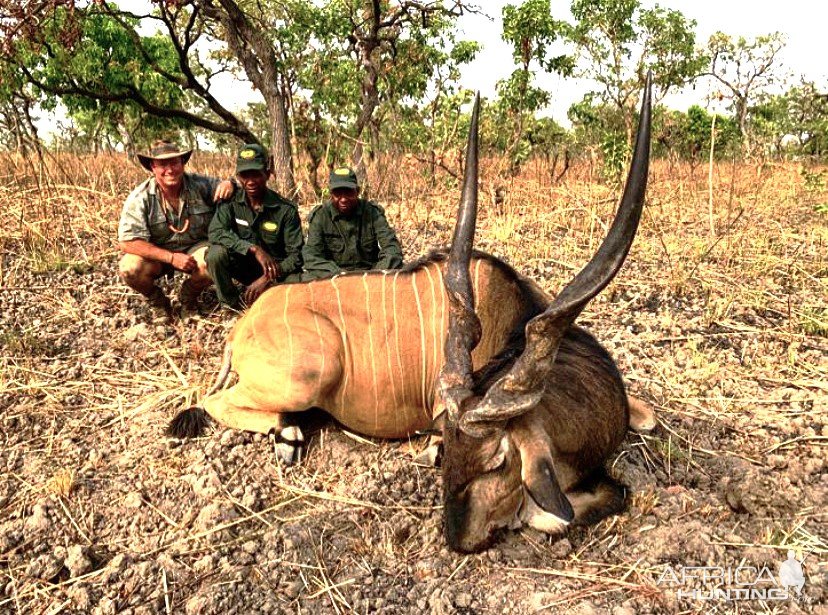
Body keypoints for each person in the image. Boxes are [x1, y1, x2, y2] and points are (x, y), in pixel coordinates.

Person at [118, 140, 233, 322]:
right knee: (129, 268)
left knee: (215, 260)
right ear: (152, 167)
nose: (170, 170)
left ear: (182, 164)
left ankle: (188, 297)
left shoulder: (200, 184)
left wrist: (229, 183)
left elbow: (234, 186)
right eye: (163, 164)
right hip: (158, 255)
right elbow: (127, 242)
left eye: (174, 163)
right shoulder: (140, 197)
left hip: (195, 248)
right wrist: (171, 258)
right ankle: (158, 302)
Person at [206, 144, 304, 310]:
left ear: (267, 174)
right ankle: (229, 305)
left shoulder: (285, 210)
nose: (250, 181)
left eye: (256, 174)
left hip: (275, 271)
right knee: (215, 254)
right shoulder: (230, 202)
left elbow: (296, 256)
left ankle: (270, 294)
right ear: (238, 176)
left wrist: (267, 278)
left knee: (298, 291)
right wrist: (253, 249)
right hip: (244, 266)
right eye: (245, 175)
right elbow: (216, 232)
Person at [302, 167, 403, 280]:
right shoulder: (321, 216)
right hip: (335, 278)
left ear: (358, 192)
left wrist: (374, 275)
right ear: (331, 193)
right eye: (338, 193)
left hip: (370, 277)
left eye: (349, 192)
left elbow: (392, 249)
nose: (344, 199)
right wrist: (341, 275)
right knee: (305, 280)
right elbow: (311, 257)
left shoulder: (372, 212)